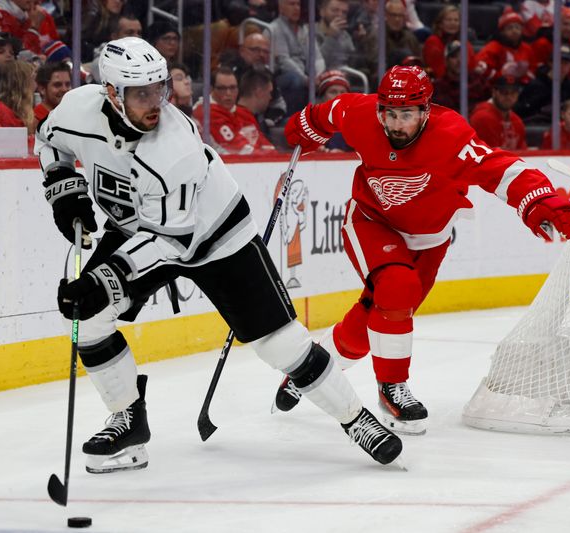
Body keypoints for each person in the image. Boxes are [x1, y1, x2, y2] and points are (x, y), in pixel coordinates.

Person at [34, 36, 402, 472]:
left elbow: (174, 241)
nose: (156, 102)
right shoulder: (78, 108)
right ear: (111, 92)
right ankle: (129, 423)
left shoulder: (174, 147)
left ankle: (356, 418)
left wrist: (104, 279)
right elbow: (51, 142)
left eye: (159, 89)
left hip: (215, 235)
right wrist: (64, 191)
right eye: (141, 94)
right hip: (138, 227)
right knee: (86, 316)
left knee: (279, 344)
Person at [274, 65, 570, 434]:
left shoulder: (451, 137)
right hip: (371, 222)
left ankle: (311, 370)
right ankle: (392, 388)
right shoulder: (361, 115)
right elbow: (328, 112)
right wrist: (307, 126)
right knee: (395, 288)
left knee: (373, 320)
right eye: (389, 113)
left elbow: (499, 169)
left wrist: (538, 199)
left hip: (430, 241)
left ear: (425, 110)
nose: (395, 124)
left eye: (406, 115)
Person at [192, 66, 274, 155]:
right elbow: (239, 150)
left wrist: (273, 154)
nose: (228, 93)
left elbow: (264, 143)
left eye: (233, 88)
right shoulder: (206, 112)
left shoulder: (243, 113)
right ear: (212, 89)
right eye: (222, 88)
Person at [469, 75, 527, 150]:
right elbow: (488, 155)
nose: (509, 97)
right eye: (504, 92)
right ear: (494, 92)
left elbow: (523, 153)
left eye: (513, 93)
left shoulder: (517, 122)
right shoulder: (483, 118)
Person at [431, 40, 489, 112]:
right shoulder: (438, 87)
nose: (459, 61)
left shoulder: (478, 80)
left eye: (462, 56)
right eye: (454, 57)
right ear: (446, 61)